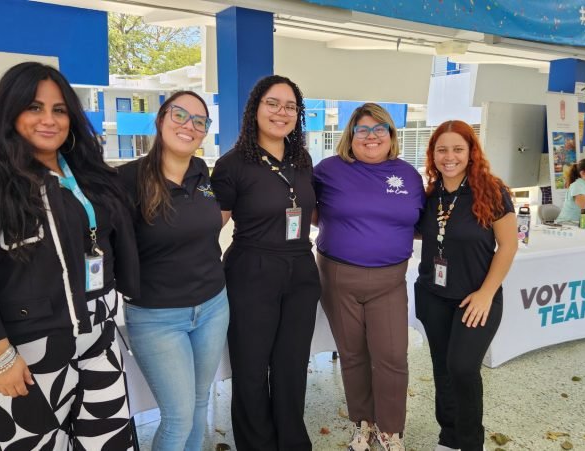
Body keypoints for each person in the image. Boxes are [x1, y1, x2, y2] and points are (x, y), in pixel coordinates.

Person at [0, 62, 139, 450]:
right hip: (24, 348)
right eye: (34, 107)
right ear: (9, 111)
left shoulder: (88, 174)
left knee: (110, 441)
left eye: (59, 109)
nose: (49, 120)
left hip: (98, 334)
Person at [210, 75, 321, 451]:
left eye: (290, 106)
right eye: (272, 103)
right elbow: (209, 227)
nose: (281, 112)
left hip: (302, 273)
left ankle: (291, 443)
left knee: (292, 371)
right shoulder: (232, 165)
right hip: (251, 273)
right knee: (252, 371)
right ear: (255, 109)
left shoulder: (302, 161)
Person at [118, 91, 228, 451]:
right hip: (157, 316)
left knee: (198, 405)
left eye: (200, 121)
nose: (189, 125)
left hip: (213, 306)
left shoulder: (202, 173)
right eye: (180, 115)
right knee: (178, 415)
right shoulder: (127, 180)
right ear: (161, 119)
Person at [313, 103, 424, 451]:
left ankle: (391, 431)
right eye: (363, 130)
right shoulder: (328, 171)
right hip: (337, 277)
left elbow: (419, 222)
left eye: (380, 130)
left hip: (390, 280)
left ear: (392, 136)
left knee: (391, 356)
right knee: (353, 355)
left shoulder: (408, 175)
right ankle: (364, 424)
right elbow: (310, 212)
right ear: (351, 135)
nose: (371, 136)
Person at [414, 120, 517, 451]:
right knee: (442, 370)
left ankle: (472, 442)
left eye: (458, 149)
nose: (449, 156)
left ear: (472, 152)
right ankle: (449, 437)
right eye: (442, 149)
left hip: (477, 297)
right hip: (433, 295)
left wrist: (487, 294)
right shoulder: (430, 195)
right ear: (432, 154)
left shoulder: (492, 191)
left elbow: (509, 246)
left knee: (461, 368)